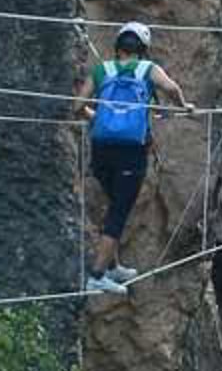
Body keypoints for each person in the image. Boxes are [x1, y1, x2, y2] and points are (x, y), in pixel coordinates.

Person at [76, 21, 193, 295]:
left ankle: (112, 266)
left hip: (101, 148)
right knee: (119, 211)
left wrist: (100, 119)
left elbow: (77, 106)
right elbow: (171, 88)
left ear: (118, 46)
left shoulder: (102, 70)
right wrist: (183, 106)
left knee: (114, 203)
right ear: (143, 49)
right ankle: (97, 275)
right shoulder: (147, 69)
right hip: (131, 152)